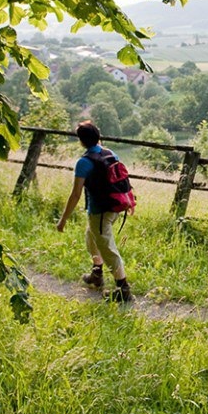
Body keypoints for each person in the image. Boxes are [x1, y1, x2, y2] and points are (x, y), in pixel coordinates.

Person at [56, 120, 133, 303]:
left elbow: (75, 194)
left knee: (107, 249)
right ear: (98, 137)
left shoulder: (84, 163)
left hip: (100, 212)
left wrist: (63, 220)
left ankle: (124, 290)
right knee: (91, 238)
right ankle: (97, 275)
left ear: (81, 142)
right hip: (114, 207)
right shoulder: (110, 154)